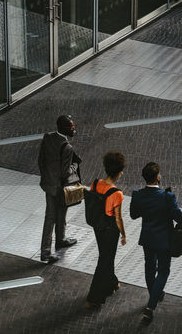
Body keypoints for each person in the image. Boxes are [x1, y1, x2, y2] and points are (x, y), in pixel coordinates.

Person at [128, 161, 182, 321]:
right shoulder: (167, 196)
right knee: (164, 271)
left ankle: (155, 294)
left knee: (149, 267)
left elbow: (133, 214)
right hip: (164, 240)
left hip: (147, 238)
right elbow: (179, 218)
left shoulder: (138, 195)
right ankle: (150, 306)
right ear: (158, 177)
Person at [38, 114, 82, 263]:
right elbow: (66, 172)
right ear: (65, 129)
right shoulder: (67, 147)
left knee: (57, 213)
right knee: (52, 217)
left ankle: (61, 239)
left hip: (48, 184)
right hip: (60, 186)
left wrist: (46, 176)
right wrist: (75, 165)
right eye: (72, 127)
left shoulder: (48, 137)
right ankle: (46, 252)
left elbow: (41, 161)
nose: (74, 129)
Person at [85, 151, 127, 309]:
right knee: (105, 260)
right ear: (118, 172)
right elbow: (118, 218)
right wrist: (123, 234)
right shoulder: (117, 193)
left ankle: (112, 283)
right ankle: (94, 297)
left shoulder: (96, 183)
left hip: (98, 226)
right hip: (110, 230)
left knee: (106, 255)